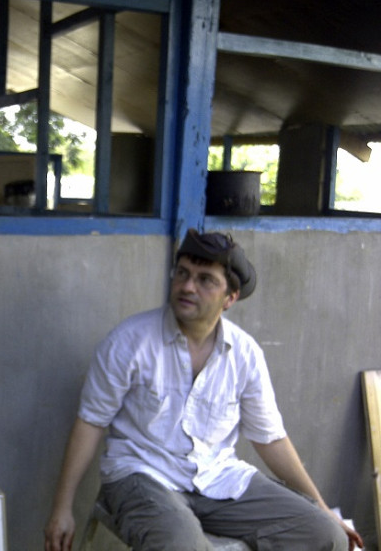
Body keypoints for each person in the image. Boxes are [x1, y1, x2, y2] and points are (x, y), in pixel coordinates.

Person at [44, 229, 364, 551]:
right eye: (182, 273)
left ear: (230, 297)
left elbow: (270, 437)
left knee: (326, 535)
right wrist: (62, 508)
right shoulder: (129, 342)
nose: (187, 286)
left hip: (218, 478)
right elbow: (91, 421)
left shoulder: (245, 353)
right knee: (184, 547)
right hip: (143, 477)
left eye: (205, 280)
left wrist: (321, 508)